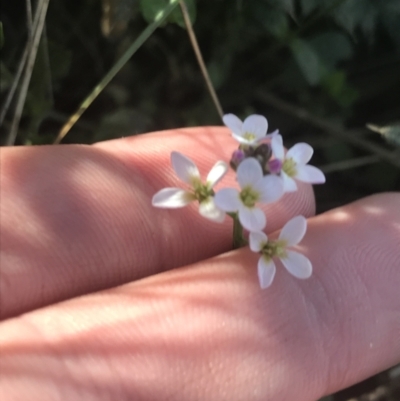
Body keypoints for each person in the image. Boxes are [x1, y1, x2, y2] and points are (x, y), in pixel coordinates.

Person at [0, 126, 399, 401]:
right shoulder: (229, 202)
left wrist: (261, 241)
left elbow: (256, 224)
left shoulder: (258, 219)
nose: (208, 190)